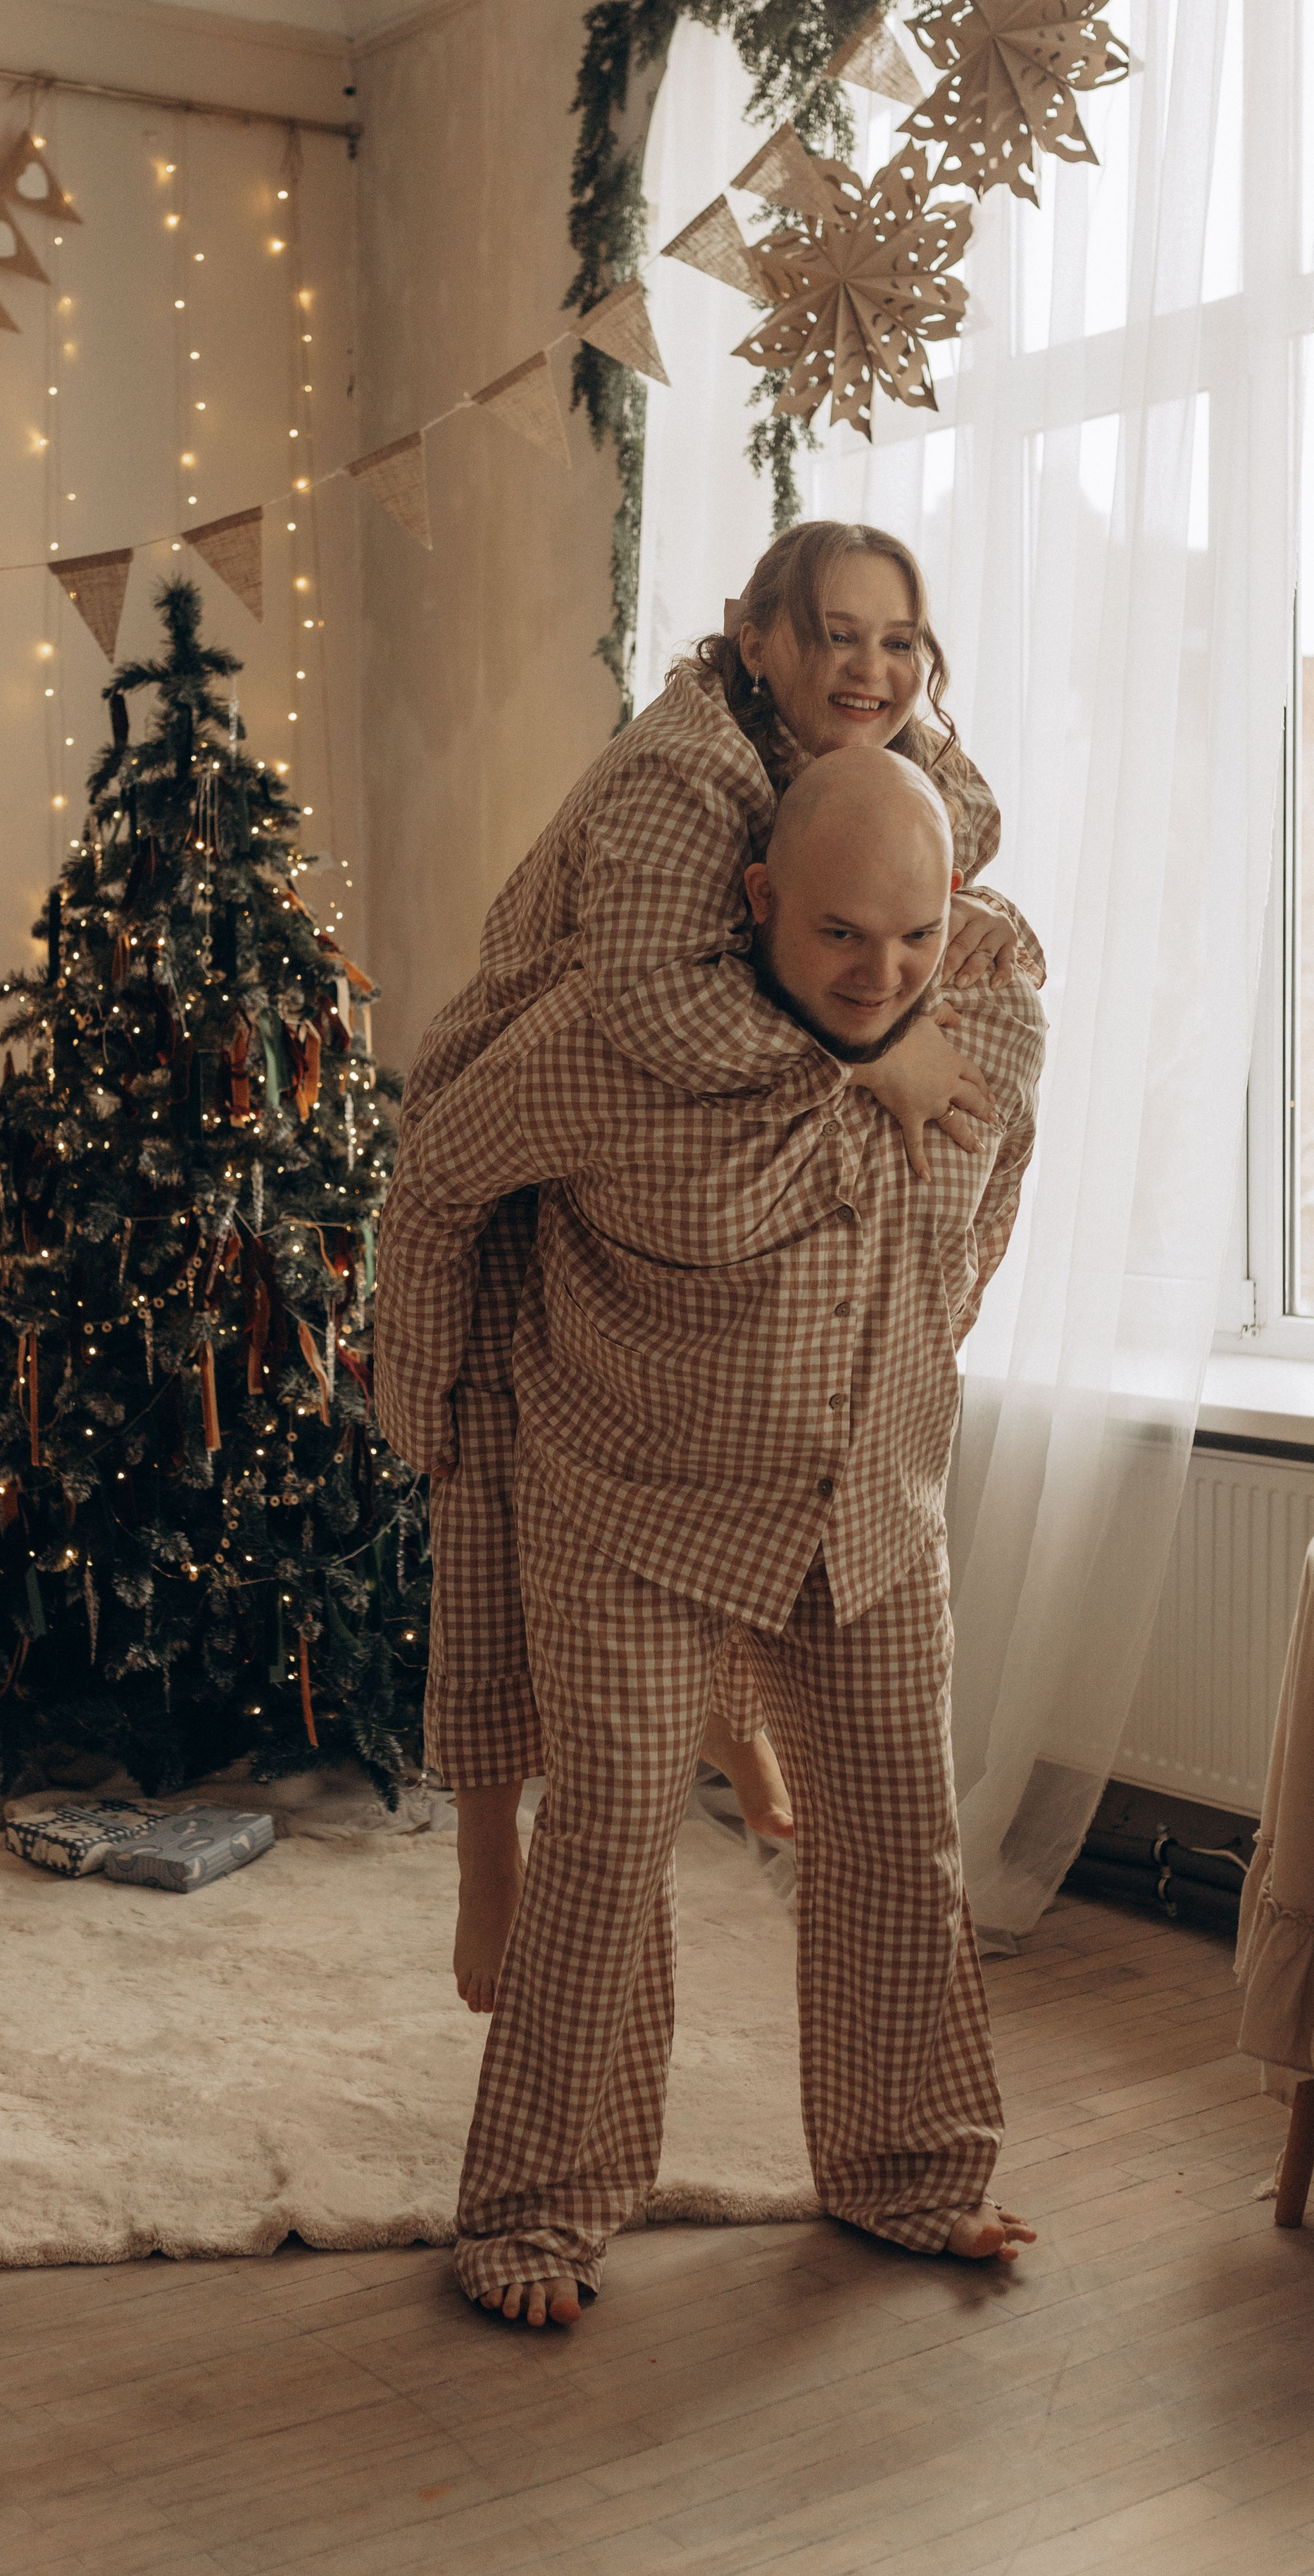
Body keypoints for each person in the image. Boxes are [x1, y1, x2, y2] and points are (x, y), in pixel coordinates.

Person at [375, 747, 1046, 2323]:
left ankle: (911, 2174)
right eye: (836, 936)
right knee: (607, 1842)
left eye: (913, 934)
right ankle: (536, 2214)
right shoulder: (608, 1047)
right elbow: (434, 1181)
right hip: (627, 1497)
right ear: (754, 904)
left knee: (897, 1835)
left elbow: (994, 1181)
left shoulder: (982, 1033)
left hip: (865, 1504)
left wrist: (923, 1346)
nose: (880, 974)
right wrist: (430, 1410)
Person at [400, 520, 1032, 2014]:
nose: (868, 668)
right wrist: (870, 1064)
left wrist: (945, 961)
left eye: (898, 640)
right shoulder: (680, 771)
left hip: (721, 1133)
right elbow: (658, 1015)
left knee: (761, 1447)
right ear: (753, 640)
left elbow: (938, 868)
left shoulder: (887, 756)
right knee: (490, 1512)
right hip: (524, 1105)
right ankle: (489, 1858)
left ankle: (731, 1727)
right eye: (833, 636)